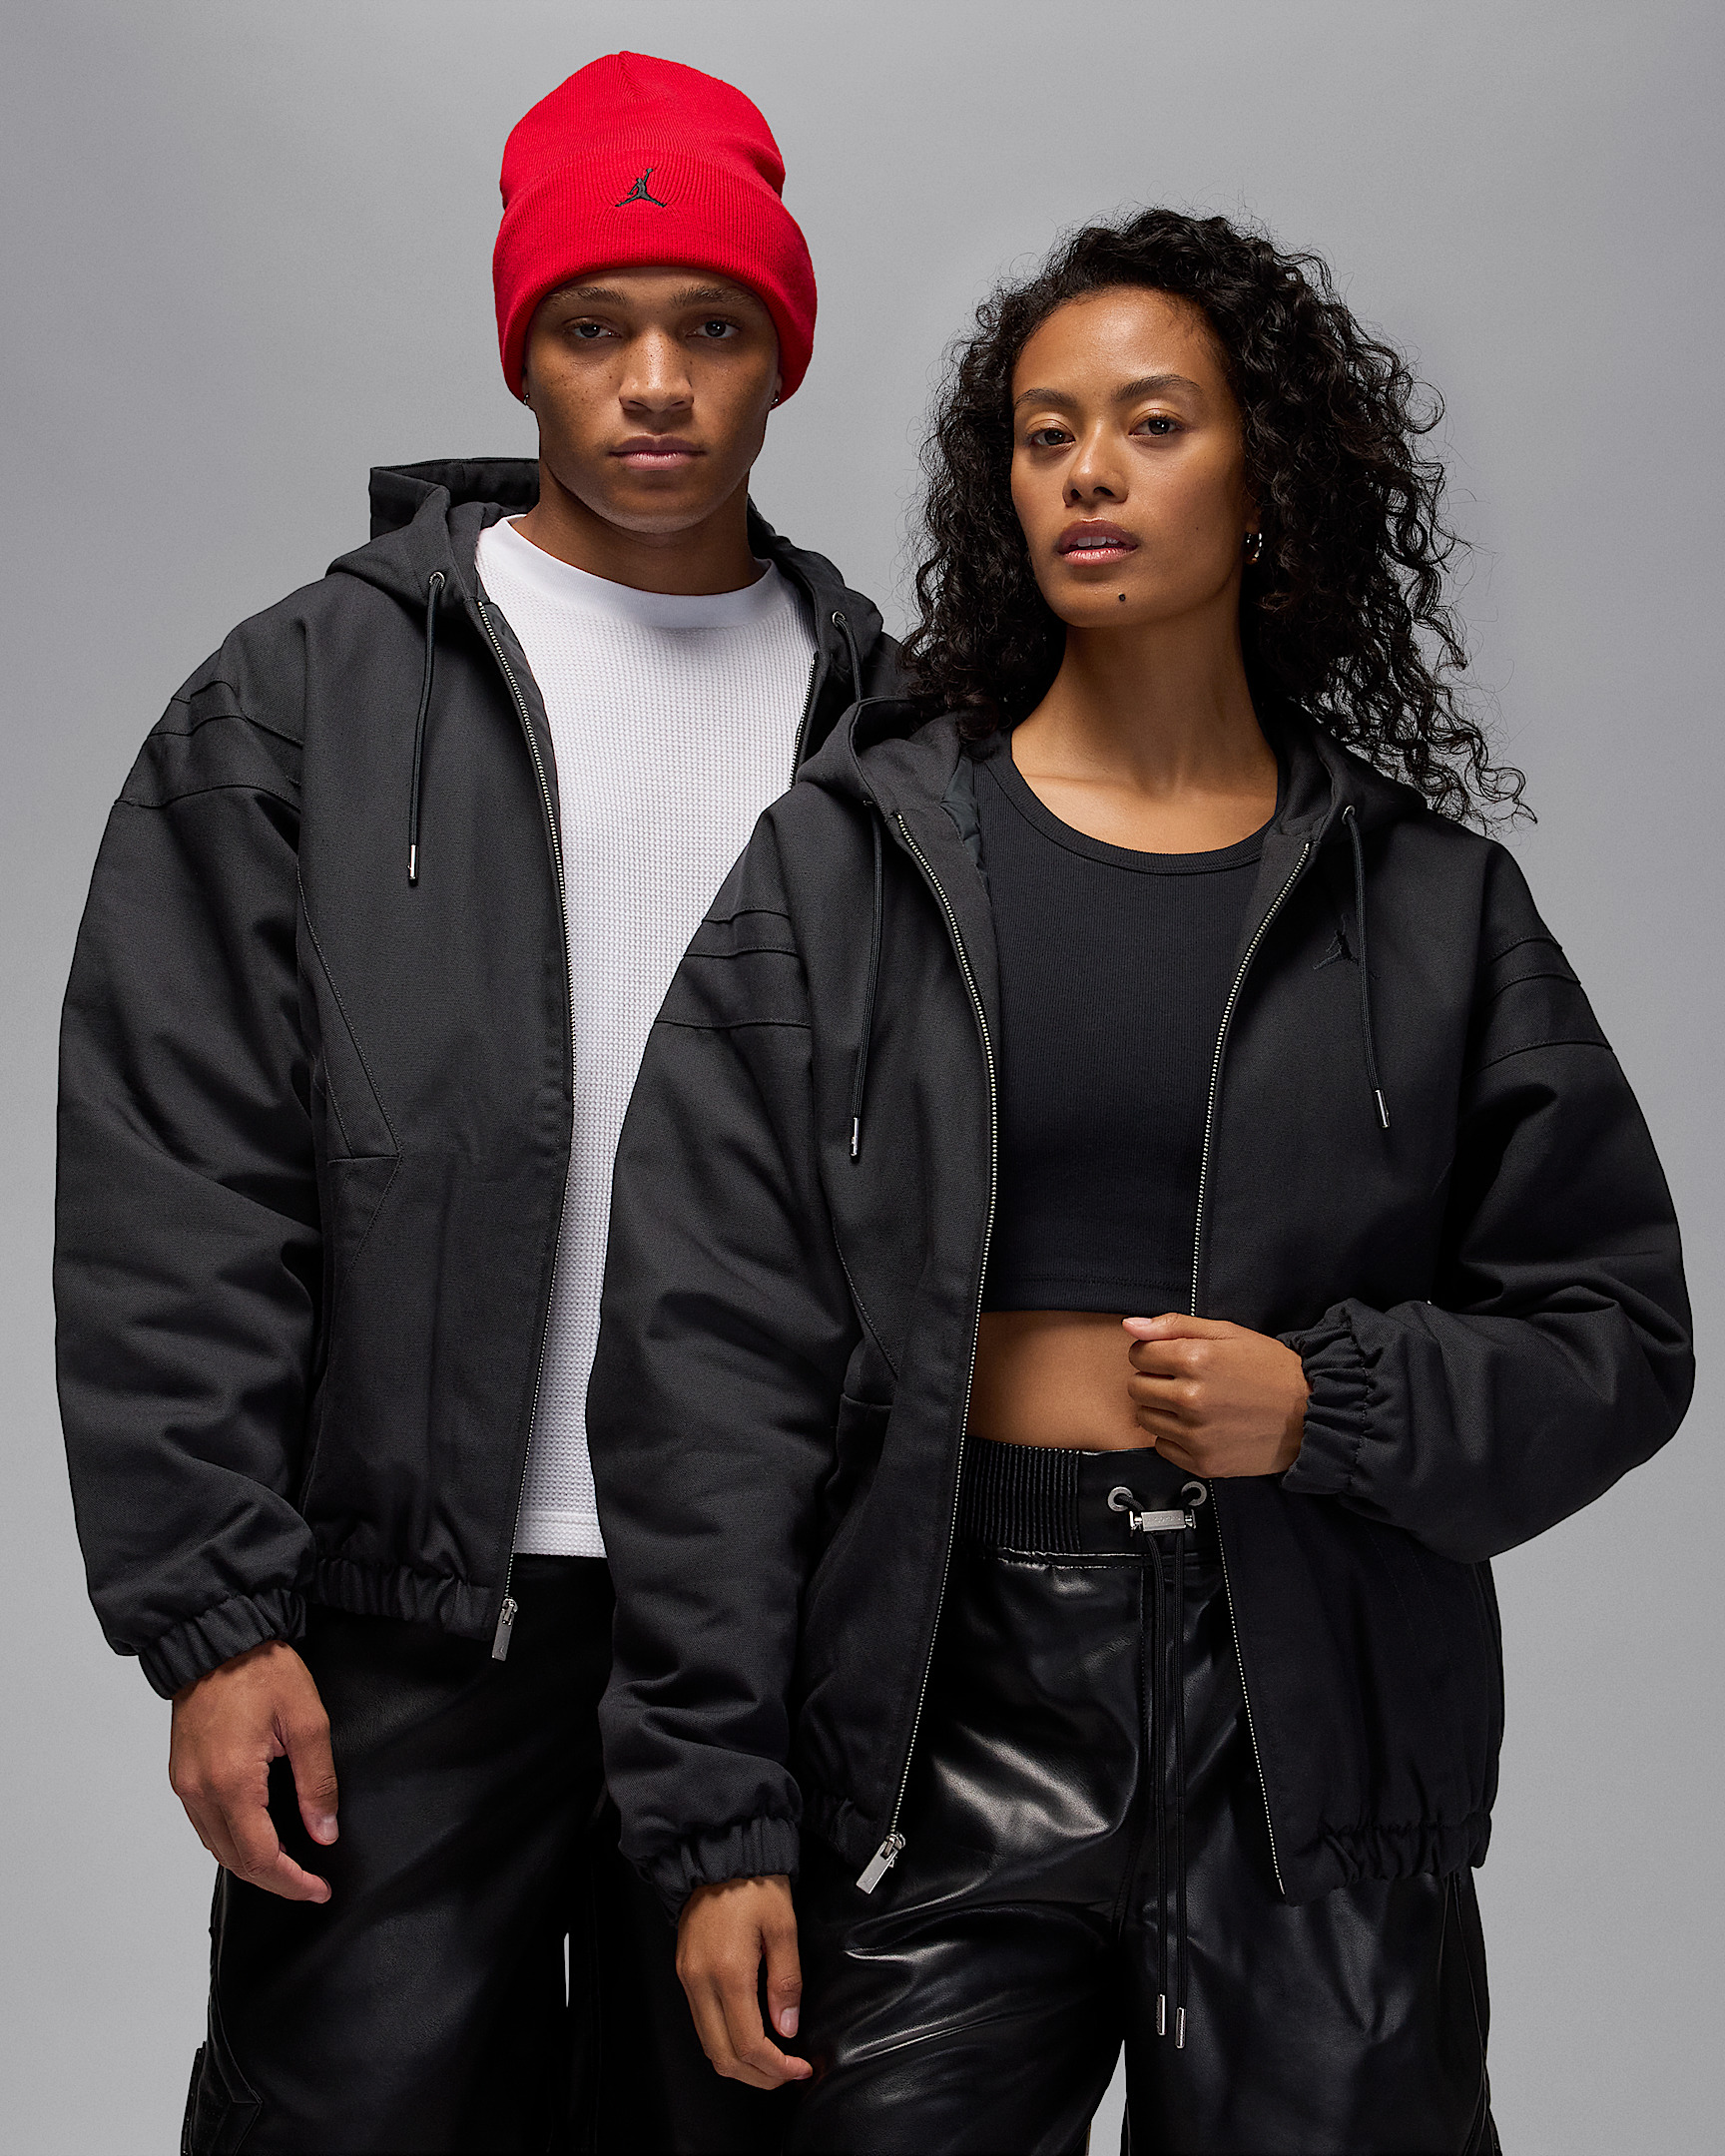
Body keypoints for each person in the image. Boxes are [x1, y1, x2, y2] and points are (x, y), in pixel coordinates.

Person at [586, 208, 1693, 2153]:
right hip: (936, 1708)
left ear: (1271, 482)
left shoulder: (1432, 910)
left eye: (1154, 424)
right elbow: (701, 1360)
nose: (1087, 471)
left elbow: (1615, 1333)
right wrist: (715, 1822)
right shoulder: (849, 869)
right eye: (1045, 434)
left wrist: (1330, 1403)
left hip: (1314, 1720)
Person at [55, 49, 895, 2156]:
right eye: (594, 326)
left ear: (782, 355)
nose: (654, 384)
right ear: (521, 347)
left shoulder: (895, 729)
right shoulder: (301, 699)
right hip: (406, 1619)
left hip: (773, 1621)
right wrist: (214, 1626)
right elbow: (177, 1171)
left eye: (712, 327)